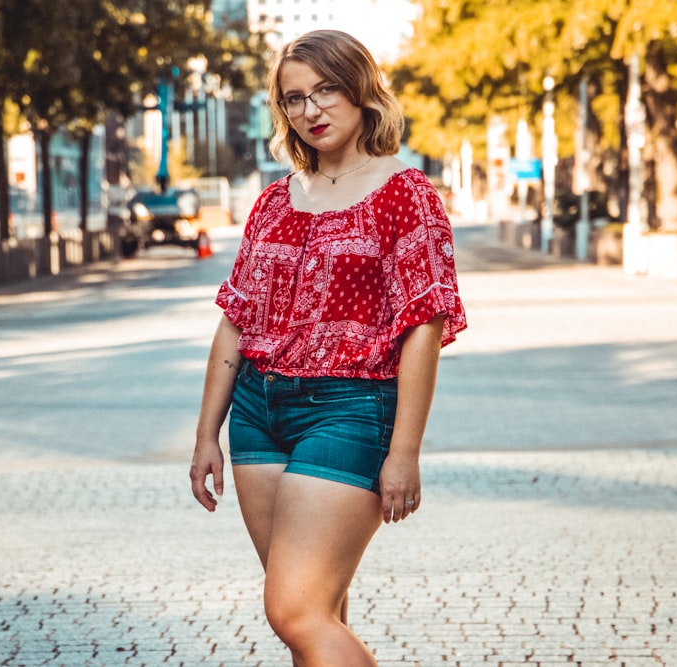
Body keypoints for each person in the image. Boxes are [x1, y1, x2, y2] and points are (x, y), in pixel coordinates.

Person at [190, 29, 467, 666]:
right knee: (314, 614)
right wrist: (208, 434)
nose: (311, 110)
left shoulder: (407, 195)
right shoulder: (271, 204)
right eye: (294, 99)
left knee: (293, 608)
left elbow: (423, 327)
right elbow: (236, 321)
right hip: (258, 414)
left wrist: (404, 451)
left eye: (326, 91)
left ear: (361, 91)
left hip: (350, 412)